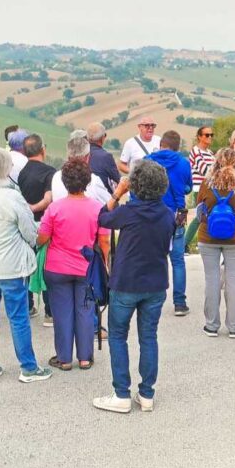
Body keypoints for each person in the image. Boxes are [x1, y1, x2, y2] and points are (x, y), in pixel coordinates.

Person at [92, 161, 176, 413]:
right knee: (148, 337)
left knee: (118, 336)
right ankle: (147, 393)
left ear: (135, 185)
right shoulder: (167, 214)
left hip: (127, 282)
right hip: (156, 283)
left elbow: (103, 218)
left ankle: (121, 394)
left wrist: (118, 193)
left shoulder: (128, 212)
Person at [0, 148, 51, 383]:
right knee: (18, 317)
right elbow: (30, 233)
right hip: (10, 265)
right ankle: (28, 367)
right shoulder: (12, 197)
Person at [38, 159, 110, 371]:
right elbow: (104, 241)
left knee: (62, 312)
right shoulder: (98, 209)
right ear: (87, 181)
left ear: (65, 181)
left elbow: (42, 237)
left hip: (57, 267)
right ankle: (85, 357)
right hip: (86, 268)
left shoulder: (54, 208)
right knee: (86, 311)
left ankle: (64, 358)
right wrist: (104, 264)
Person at [196, 148, 235, 338]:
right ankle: (234, 326)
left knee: (212, 279)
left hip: (208, 237)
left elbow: (200, 209)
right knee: (233, 280)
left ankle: (212, 325)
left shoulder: (207, 184)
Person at [145, 130, 192, 315]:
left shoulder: (148, 159)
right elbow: (188, 187)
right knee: (178, 261)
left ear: (161, 143)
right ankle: (179, 303)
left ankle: (151, 299)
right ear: (177, 146)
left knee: (154, 259)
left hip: (152, 213)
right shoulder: (183, 163)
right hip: (176, 214)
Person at [17, 133, 57, 323]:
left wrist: (26, 210)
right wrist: (34, 208)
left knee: (27, 265)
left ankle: (28, 305)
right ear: (43, 150)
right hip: (44, 224)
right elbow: (49, 198)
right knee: (46, 266)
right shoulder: (50, 171)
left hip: (25, 225)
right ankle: (50, 312)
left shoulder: (21, 172)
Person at [51, 136, 111, 203]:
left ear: (68, 156)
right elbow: (109, 205)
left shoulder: (56, 177)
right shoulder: (93, 181)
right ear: (87, 157)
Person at [185, 126, 216, 250]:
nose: (209, 137)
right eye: (206, 135)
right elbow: (205, 171)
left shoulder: (210, 153)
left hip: (211, 189)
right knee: (200, 217)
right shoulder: (195, 151)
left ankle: (206, 242)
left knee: (208, 217)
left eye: (211, 135)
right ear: (199, 137)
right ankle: (184, 244)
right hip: (199, 189)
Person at [87, 122, 120, 193]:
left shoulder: (82, 153)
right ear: (102, 137)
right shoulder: (106, 156)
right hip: (103, 198)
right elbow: (118, 179)